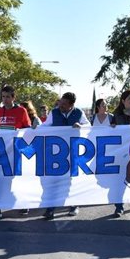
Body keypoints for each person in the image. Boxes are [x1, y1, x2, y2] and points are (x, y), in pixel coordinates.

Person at [39, 91, 89, 220]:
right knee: (55, 179)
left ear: (71, 105)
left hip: (73, 150)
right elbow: (45, 126)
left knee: (72, 179)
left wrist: (80, 126)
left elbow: (88, 126)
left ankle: (73, 205)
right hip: (57, 152)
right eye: (60, 102)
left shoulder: (79, 113)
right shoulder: (54, 112)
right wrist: (34, 128)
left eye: (64, 103)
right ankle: (51, 208)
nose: (60, 105)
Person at [0, 85, 32, 220]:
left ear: (13, 97)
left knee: (16, 179)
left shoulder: (21, 111)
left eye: (7, 97)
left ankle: (23, 203)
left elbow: (28, 129)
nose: (5, 99)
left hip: (16, 151)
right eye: (3, 96)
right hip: (1, 152)